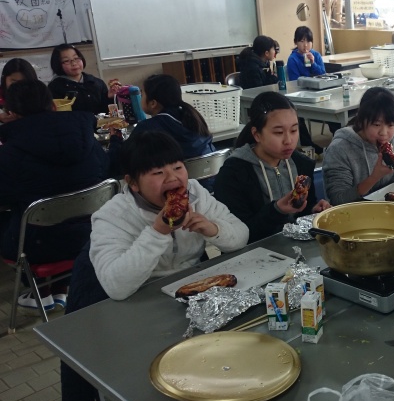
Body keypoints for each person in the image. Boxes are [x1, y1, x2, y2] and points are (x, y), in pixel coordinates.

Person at [90, 131, 248, 301]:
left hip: (193, 287)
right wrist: (158, 232)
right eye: (158, 172)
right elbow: (116, 287)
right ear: (133, 182)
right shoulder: (112, 216)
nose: (172, 177)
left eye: (178, 168)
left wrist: (213, 229)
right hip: (142, 297)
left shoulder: (195, 193)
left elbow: (242, 236)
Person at [0, 79, 109, 311]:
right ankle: (61, 288)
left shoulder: (10, 152)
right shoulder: (86, 136)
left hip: (39, 246)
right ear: (53, 105)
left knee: (15, 214)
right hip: (95, 233)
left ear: (11, 114)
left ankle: (39, 292)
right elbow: (105, 171)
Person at [214, 92, 330, 243]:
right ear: (257, 134)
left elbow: (302, 212)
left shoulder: (301, 163)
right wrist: (277, 210)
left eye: (294, 130)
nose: (288, 140)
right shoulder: (233, 174)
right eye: (278, 132)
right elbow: (237, 235)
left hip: (293, 247)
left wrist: (313, 210)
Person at [322, 86, 394, 205]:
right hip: (356, 212)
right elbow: (338, 199)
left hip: (390, 208)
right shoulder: (340, 149)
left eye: (390, 125)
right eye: (377, 125)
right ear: (361, 121)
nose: (384, 133)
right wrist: (374, 177)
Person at [107, 74, 214, 185]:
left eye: (142, 94)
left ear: (153, 103)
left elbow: (121, 163)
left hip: (173, 190)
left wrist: (115, 140)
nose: (140, 97)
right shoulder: (193, 117)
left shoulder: (147, 129)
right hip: (207, 186)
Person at [47, 44, 121, 114]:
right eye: (66, 61)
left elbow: (109, 114)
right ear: (58, 64)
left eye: (76, 58)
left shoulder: (96, 83)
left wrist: (110, 98)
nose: (74, 63)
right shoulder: (55, 88)